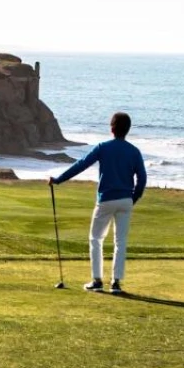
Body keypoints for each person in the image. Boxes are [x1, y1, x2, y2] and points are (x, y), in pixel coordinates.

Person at [49, 112, 147, 295]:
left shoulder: (103, 147)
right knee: (121, 241)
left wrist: (59, 180)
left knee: (96, 239)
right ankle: (116, 283)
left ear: (112, 128)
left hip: (106, 199)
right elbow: (142, 179)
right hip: (125, 200)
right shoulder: (134, 151)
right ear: (127, 130)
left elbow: (81, 164)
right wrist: (133, 199)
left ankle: (97, 281)